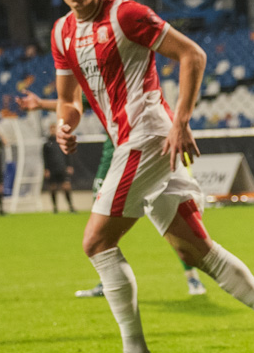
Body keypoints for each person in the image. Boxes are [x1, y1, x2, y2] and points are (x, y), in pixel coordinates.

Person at [47, 0, 254, 353]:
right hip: (136, 141)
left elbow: (193, 55)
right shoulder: (61, 33)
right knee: (195, 249)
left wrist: (181, 120)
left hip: (148, 136)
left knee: (96, 242)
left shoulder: (126, 14)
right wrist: (64, 124)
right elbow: (68, 100)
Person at [17, 90, 207, 297]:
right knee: (101, 230)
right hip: (112, 161)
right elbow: (74, 102)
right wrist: (41, 103)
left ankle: (193, 277)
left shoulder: (134, 83)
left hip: (145, 155)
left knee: (172, 221)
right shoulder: (98, 84)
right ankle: (107, 283)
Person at [42, 122, 76, 212]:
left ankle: (70, 206)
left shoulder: (62, 141)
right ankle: (55, 207)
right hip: (52, 169)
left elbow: (67, 154)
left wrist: (69, 165)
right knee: (53, 187)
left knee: (66, 186)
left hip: (62, 167)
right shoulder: (46, 144)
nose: (53, 130)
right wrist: (46, 169)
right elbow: (45, 157)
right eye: (52, 129)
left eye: (54, 128)